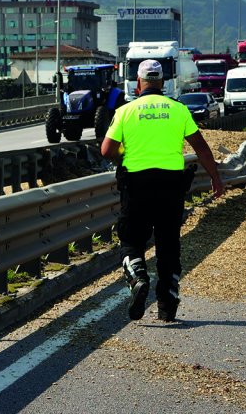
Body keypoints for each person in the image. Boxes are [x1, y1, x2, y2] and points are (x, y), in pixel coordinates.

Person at [100, 59, 226, 323]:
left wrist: (125, 155)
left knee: (132, 240)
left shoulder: (126, 111)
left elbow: (107, 150)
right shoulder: (178, 110)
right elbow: (201, 147)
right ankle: (167, 305)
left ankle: (137, 276)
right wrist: (215, 177)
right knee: (168, 245)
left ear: (138, 82)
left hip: (136, 185)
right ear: (163, 82)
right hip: (170, 186)